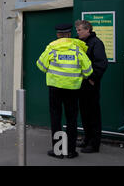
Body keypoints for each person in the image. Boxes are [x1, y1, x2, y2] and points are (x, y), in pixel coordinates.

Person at [36, 23, 93, 159]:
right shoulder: (78, 50)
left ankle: (58, 150)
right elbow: (88, 71)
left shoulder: (52, 49)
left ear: (58, 35)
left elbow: (41, 66)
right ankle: (71, 151)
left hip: (55, 89)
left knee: (56, 119)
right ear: (69, 34)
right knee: (71, 119)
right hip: (72, 89)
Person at [75, 19, 108, 153]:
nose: (77, 32)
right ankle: (87, 139)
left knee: (93, 114)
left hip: (91, 85)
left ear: (88, 30)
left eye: (80, 30)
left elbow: (101, 63)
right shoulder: (80, 43)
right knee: (84, 113)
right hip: (81, 85)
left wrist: (92, 78)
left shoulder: (96, 43)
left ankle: (94, 144)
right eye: (77, 30)